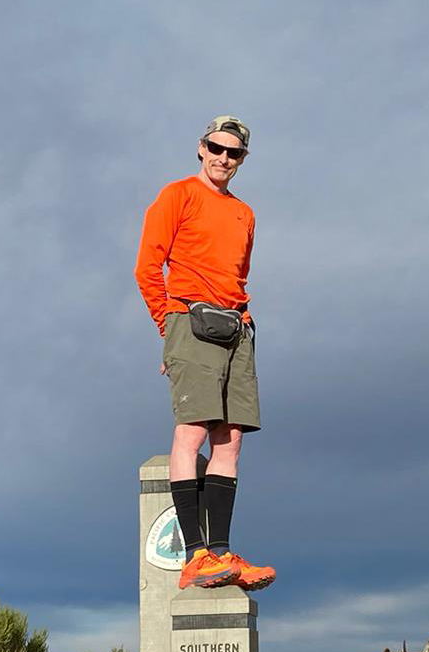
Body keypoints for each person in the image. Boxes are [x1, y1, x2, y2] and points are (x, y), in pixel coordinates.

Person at [135, 115, 275, 591]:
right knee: (191, 432)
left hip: (236, 327)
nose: (223, 158)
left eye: (233, 153)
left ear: (242, 160)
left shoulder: (245, 214)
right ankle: (194, 556)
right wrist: (168, 330)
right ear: (201, 147)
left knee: (230, 438)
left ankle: (221, 553)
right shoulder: (177, 195)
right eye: (216, 148)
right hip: (189, 320)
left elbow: (239, 275)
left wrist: (246, 321)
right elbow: (147, 268)